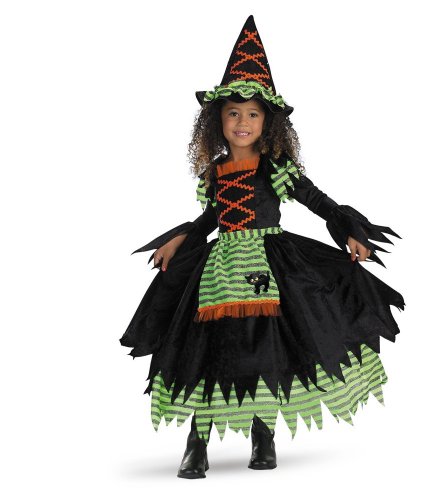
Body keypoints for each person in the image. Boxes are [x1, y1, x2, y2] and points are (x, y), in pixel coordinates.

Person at [120, 15, 405, 479]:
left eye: (253, 114)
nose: (243, 122)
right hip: (220, 271)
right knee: (207, 349)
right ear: (217, 120)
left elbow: (317, 201)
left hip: (271, 266)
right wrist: (180, 239)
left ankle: (263, 434)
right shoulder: (215, 172)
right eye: (233, 113)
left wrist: (349, 230)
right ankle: (197, 443)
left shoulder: (276, 167)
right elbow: (211, 218)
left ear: (267, 122)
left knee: (268, 349)